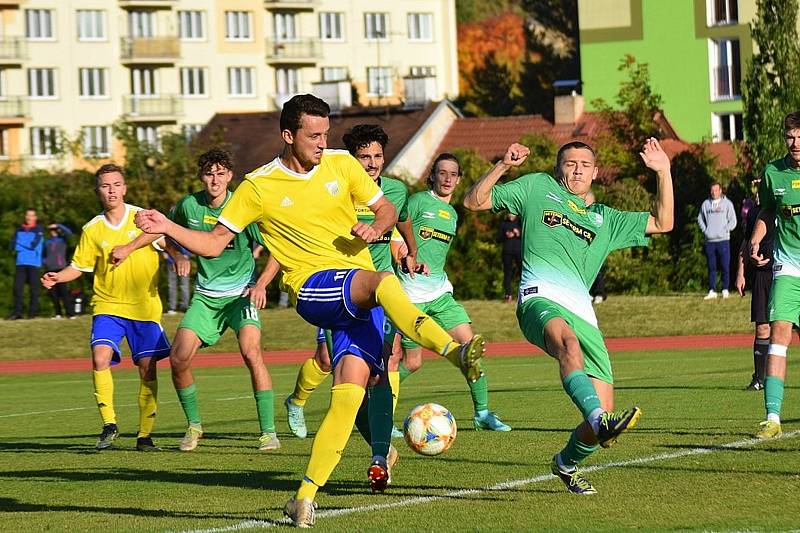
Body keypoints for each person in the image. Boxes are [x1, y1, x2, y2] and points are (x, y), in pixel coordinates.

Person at [133, 94, 485, 528]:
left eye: (326, 134)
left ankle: (303, 497)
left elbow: (387, 207)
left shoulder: (341, 164)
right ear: (288, 135)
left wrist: (377, 226)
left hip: (358, 296)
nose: (323, 143)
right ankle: (453, 351)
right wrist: (167, 226)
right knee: (382, 282)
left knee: (351, 393)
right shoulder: (258, 186)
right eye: (313, 135)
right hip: (315, 288)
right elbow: (212, 243)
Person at [464, 138, 673, 494]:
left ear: (595, 172)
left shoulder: (606, 218)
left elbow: (664, 222)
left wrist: (664, 171)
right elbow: (474, 201)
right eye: (570, 163)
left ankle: (566, 463)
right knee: (568, 345)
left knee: (602, 429)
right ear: (559, 168)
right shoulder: (537, 187)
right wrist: (502, 165)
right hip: (538, 297)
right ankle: (597, 418)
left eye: (584, 165)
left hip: (583, 311)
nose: (577, 170)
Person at [115, 149, 282, 452]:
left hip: (241, 295)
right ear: (201, 177)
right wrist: (136, 249)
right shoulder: (189, 205)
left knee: (251, 350)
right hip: (206, 297)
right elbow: (161, 231)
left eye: (220, 173)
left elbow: (279, 249)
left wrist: (261, 284)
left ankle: (268, 432)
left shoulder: (244, 206)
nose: (214, 180)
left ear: (230, 175)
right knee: (178, 358)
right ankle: (194, 427)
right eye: (209, 174)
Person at [284, 125, 413, 485]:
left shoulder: (396, 191)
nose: (372, 164)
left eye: (377, 156)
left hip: (382, 291)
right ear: (350, 160)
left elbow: (401, 222)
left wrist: (408, 253)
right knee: (339, 368)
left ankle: (380, 453)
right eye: (364, 157)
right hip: (337, 290)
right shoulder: (335, 189)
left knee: (383, 365)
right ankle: (374, 440)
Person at [41, 164, 173, 451]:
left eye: (116, 184)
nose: (111, 190)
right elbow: (80, 266)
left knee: (146, 368)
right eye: (105, 185)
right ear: (98, 191)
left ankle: (145, 436)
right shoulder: (92, 228)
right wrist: (57, 276)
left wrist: (179, 257)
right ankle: (109, 424)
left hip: (144, 307)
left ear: (125, 188)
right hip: (107, 305)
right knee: (100, 358)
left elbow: (166, 239)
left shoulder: (143, 218)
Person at [397, 153, 511, 432]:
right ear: (432, 176)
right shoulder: (417, 202)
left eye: (453, 174)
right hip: (410, 296)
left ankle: (482, 414)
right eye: (442, 173)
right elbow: (397, 233)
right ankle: (377, 410)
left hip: (440, 293)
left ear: (459, 180)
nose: (447, 178)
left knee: (470, 350)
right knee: (411, 364)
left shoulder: (454, 214)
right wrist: (403, 258)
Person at [749, 111, 800, 440]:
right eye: (791, 137)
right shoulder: (773, 173)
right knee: (778, 331)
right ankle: (772, 417)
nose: (795, 143)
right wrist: (754, 239)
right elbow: (767, 211)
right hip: (788, 267)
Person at [735, 177, 774, 391]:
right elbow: (745, 243)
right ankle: (759, 378)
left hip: (786, 274)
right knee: (762, 327)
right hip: (761, 276)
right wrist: (741, 273)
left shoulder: (788, 208)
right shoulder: (753, 214)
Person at [698, 182, 737, 299]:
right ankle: (712, 290)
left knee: (725, 266)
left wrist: (726, 230)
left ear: (720, 191)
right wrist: (706, 231)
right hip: (710, 240)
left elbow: (733, 220)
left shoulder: (727, 204)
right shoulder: (705, 204)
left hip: (723, 240)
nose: (714, 192)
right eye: (712, 190)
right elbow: (700, 218)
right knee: (712, 267)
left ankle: (725, 289)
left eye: (716, 190)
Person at [8, 209, 45, 319]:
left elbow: (33, 245)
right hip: (20, 262)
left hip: (34, 263)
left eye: (32, 215)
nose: (29, 217)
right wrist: (24, 242)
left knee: (34, 289)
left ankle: (32, 313)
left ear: (35, 217)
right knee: (17, 288)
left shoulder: (39, 229)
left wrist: (20, 241)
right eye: (28, 215)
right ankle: (17, 313)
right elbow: (13, 245)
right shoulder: (19, 229)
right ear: (25, 216)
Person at [43, 223, 75, 319]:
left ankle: (70, 313)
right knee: (53, 293)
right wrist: (44, 262)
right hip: (49, 269)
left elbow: (69, 233)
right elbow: (43, 254)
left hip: (61, 269)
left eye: (54, 230)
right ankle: (58, 313)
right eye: (51, 230)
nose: (53, 232)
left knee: (64, 292)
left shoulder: (63, 240)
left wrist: (58, 225)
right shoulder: (47, 242)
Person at [498, 213, 522, 303]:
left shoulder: (520, 222)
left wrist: (518, 233)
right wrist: (506, 235)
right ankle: (508, 295)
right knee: (507, 273)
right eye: (509, 214)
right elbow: (498, 238)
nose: (511, 216)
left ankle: (523, 295)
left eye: (512, 214)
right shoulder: (504, 223)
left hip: (519, 251)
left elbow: (527, 235)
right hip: (507, 251)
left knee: (522, 273)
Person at [164, 242, 190, 314]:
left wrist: (187, 254)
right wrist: (164, 252)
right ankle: (172, 307)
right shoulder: (170, 232)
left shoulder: (186, 231)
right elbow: (164, 242)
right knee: (171, 285)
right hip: (171, 261)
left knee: (184, 285)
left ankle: (184, 306)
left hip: (184, 262)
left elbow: (189, 244)